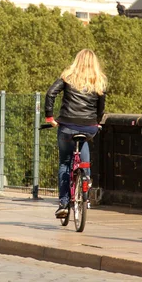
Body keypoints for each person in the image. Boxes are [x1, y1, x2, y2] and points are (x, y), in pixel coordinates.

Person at [44, 49, 106, 218]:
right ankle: (86, 178)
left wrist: (50, 117)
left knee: (64, 163)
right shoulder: (99, 80)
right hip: (89, 127)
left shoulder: (68, 77)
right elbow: (101, 106)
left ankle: (63, 203)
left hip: (67, 125)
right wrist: (97, 122)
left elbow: (50, 93)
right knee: (84, 143)